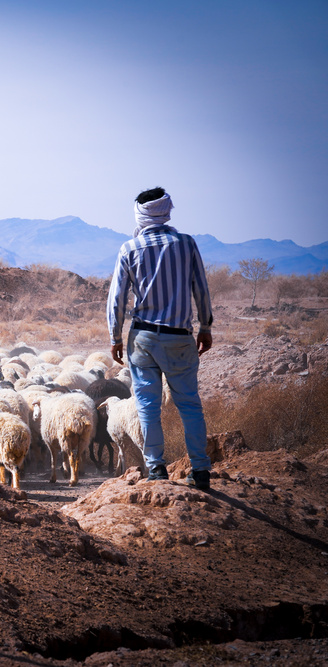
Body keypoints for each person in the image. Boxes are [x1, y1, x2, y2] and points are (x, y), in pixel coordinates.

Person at [107, 187, 214, 490]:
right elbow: (201, 289)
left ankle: (155, 468)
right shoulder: (186, 244)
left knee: (147, 406)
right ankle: (201, 469)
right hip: (180, 337)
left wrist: (115, 337)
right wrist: (205, 326)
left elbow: (116, 298)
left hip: (143, 339)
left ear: (139, 214)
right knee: (190, 405)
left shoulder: (130, 248)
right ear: (167, 211)